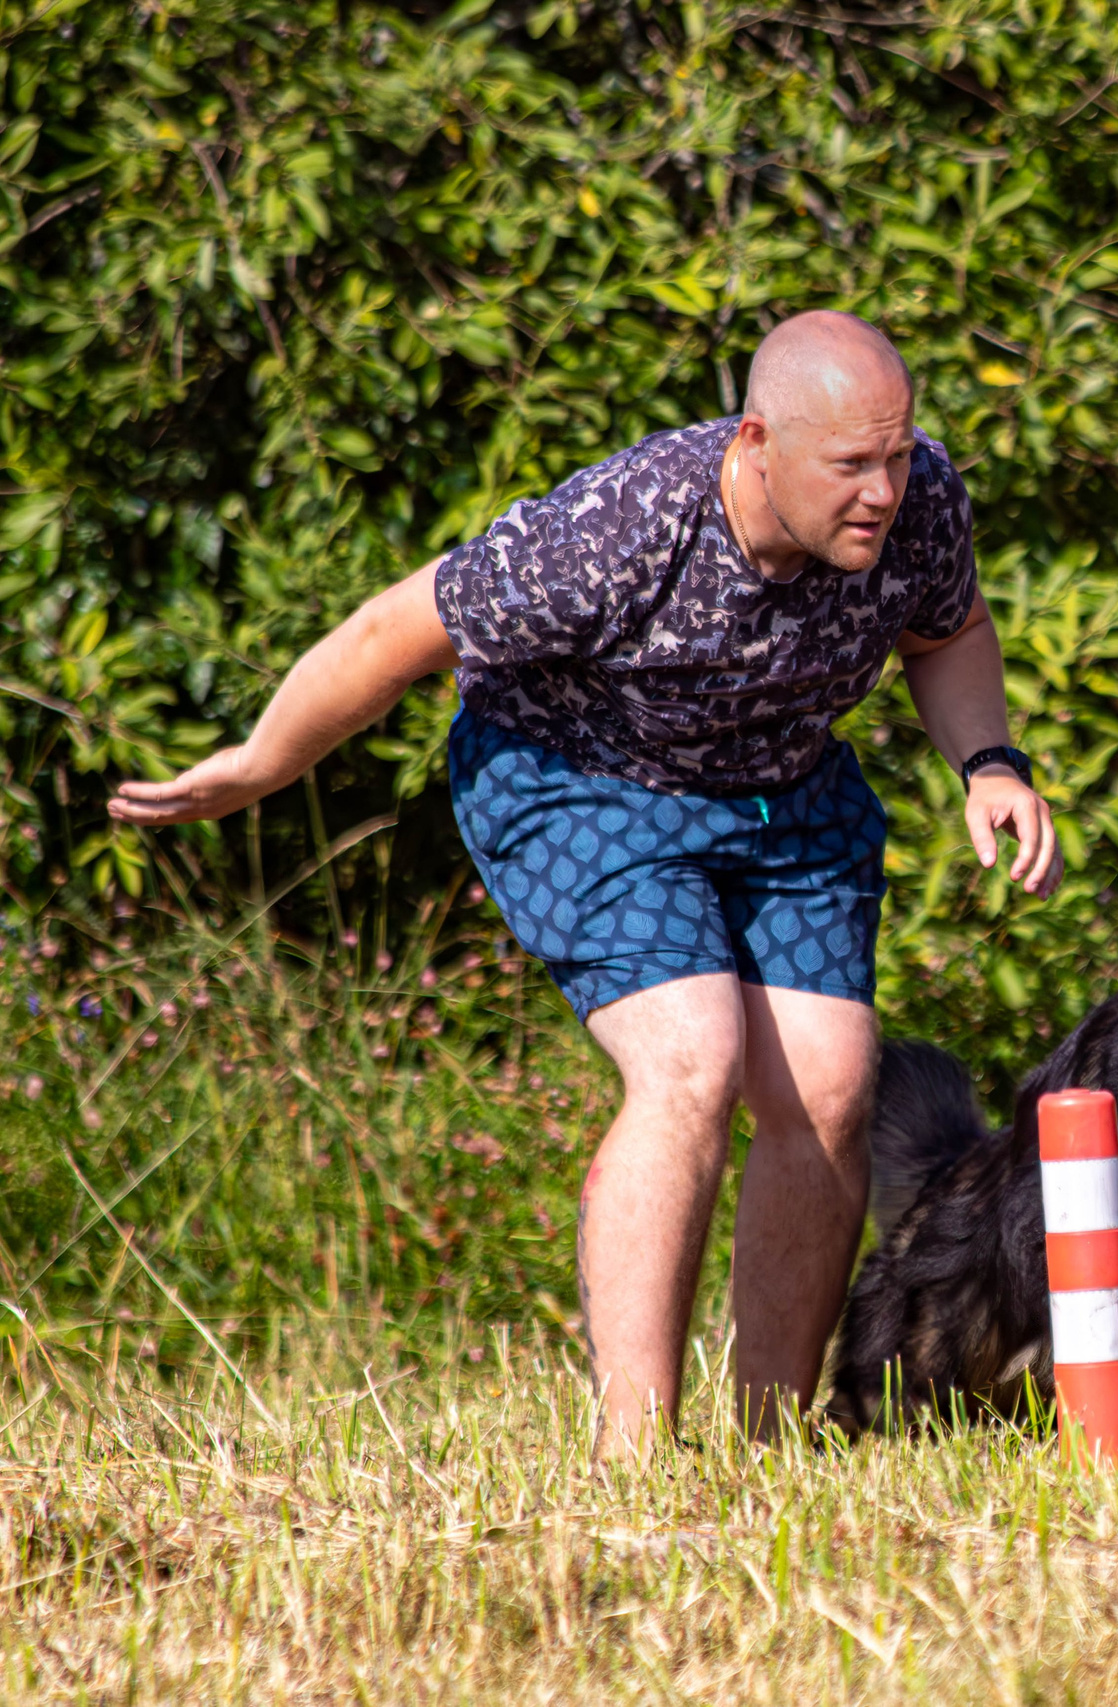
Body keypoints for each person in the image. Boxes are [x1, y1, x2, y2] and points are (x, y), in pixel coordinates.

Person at [111, 312, 1062, 1458]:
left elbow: (945, 628)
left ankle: (768, 1447)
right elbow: (392, 632)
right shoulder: (622, 528)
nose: (884, 490)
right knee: (690, 1063)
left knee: (829, 1090)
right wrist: (262, 763)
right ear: (758, 440)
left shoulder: (923, 503)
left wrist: (990, 762)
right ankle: (636, 1457)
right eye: (851, 465)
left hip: (782, 791)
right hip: (582, 784)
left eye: (899, 455)